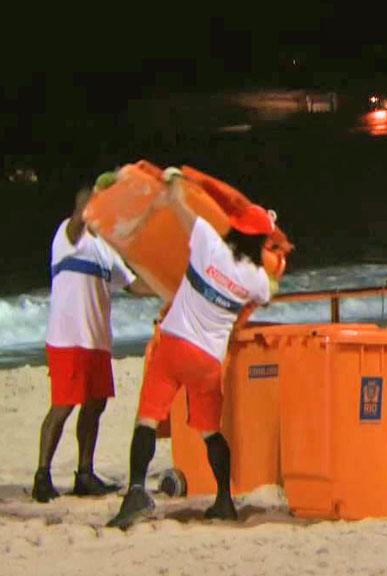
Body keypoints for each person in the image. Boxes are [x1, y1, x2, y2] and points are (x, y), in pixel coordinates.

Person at [108, 168, 277, 529]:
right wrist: (268, 237)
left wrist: (172, 190)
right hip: (208, 361)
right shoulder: (257, 279)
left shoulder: (210, 244)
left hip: (173, 346)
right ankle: (223, 501)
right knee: (209, 431)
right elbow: (267, 290)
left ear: (234, 228)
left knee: (148, 421)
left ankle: (136, 492)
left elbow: (183, 212)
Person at [33, 173, 153, 503]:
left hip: (97, 341)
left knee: (95, 405)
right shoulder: (69, 235)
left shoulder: (106, 249)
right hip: (68, 338)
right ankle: (42, 475)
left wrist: (169, 286)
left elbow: (134, 285)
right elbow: (77, 217)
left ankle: (84, 474)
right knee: (63, 405)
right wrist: (91, 199)